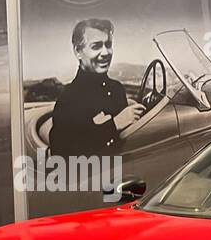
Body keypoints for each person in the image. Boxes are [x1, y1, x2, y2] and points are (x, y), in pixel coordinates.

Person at [49, 20, 145, 163]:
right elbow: (62, 156)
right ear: (78, 51)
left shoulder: (116, 88)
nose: (105, 52)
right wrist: (115, 124)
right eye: (96, 46)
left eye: (108, 45)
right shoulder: (69, 98)